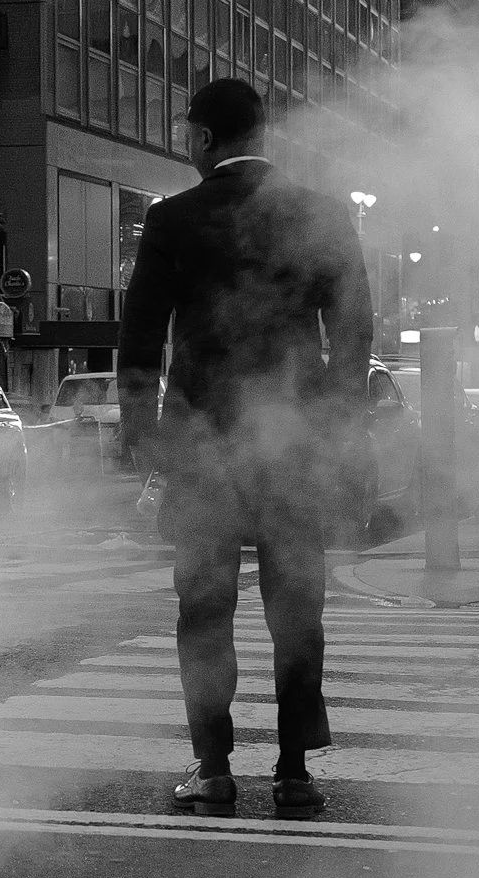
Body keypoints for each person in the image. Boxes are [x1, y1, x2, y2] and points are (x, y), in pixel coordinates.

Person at [116, 76, 375, 818]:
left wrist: (143, 439)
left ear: (202, 138)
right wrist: (333, 421)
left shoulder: (172, 219)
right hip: (291, 444)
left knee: (204, 612)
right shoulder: (321, 215)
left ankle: (213, 769)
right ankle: (293, 773)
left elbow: (138, 343)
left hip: (201, 449)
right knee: (296, 610)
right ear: (261, 135)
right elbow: (354, 330)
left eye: (184, 133)